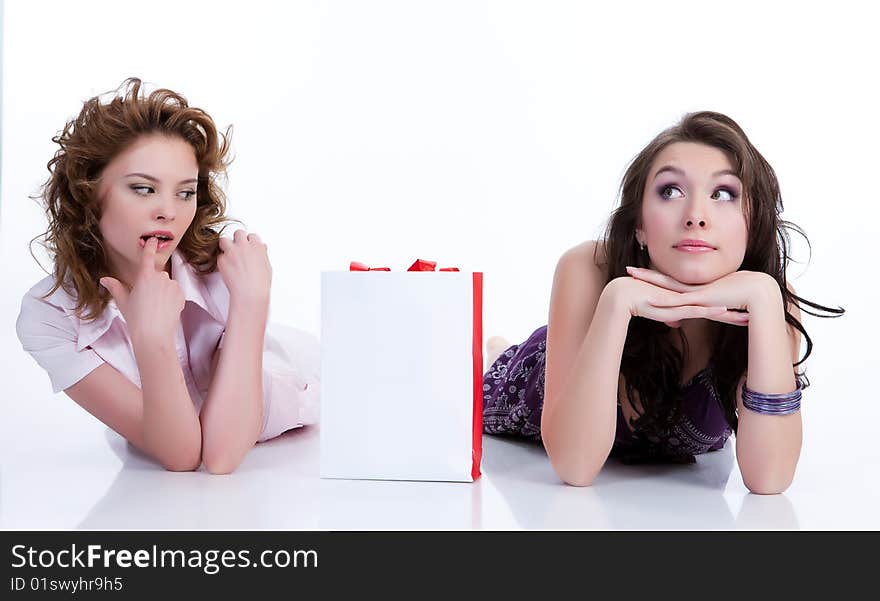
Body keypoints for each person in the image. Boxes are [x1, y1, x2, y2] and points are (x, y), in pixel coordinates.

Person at [482, 111, 843, 493]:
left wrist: (765, 299)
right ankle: (498, 351)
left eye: (724, 193)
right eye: (671, 191)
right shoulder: (587, 270)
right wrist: (617, 303)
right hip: (531, 377)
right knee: (493, 365)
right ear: (639, 223)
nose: (696, 217)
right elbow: (575, 466)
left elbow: (770, 480)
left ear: (751, 225)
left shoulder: (770, 304)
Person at [16, 78, 319, 474]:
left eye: (185, 192)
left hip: (325, 396)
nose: (168, 212)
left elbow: (221, 456)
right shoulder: (50, 316)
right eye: (143, 189)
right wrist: (150, 338)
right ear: (88, 193)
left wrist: (252, 303)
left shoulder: (229, 275)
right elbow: (180, 456)